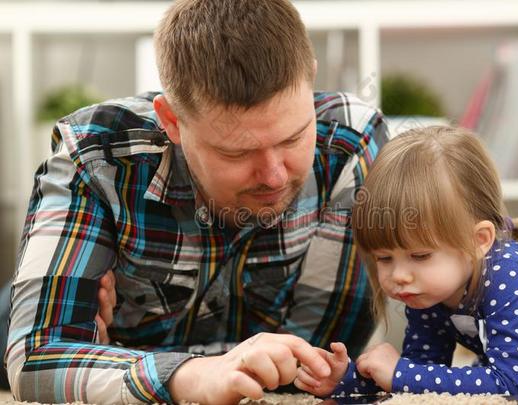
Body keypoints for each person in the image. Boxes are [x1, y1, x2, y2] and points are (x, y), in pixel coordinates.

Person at [4, 0, 389, 403]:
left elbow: (315, 359)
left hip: (124, 347)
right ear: (171, 121)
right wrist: (193, 375)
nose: (274, 176)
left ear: (310, 76)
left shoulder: (351, 144)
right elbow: (35, 359)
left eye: (293, 138)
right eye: (237, 153)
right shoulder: (98, 155)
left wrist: (110, 359)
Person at [294, 126, 518, 397]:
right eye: (384, 258)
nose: (399, 275)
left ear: (479, 241)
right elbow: (424, 375)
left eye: (420, 255)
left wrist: (400, 373)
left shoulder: (512, 278)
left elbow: (512, 383)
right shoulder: (428, 290)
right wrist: (352, 381)